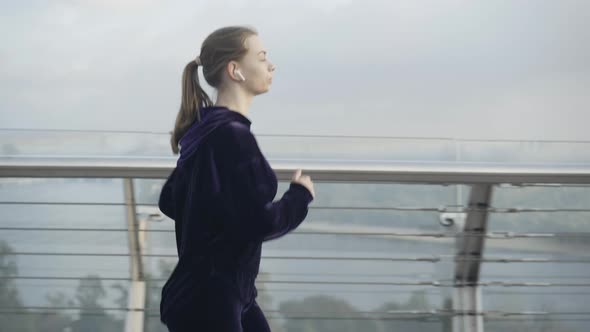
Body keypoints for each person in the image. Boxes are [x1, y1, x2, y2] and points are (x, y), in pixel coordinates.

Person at [158, 25, 316, 332]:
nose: (271, 65)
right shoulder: (231, 136)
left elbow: (170, 200)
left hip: (223, 295)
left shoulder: (205, 131)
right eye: (261, 57)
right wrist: (300, 196)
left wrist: (218, 218)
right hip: (212, 303)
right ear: (236, 70)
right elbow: (260, 222)